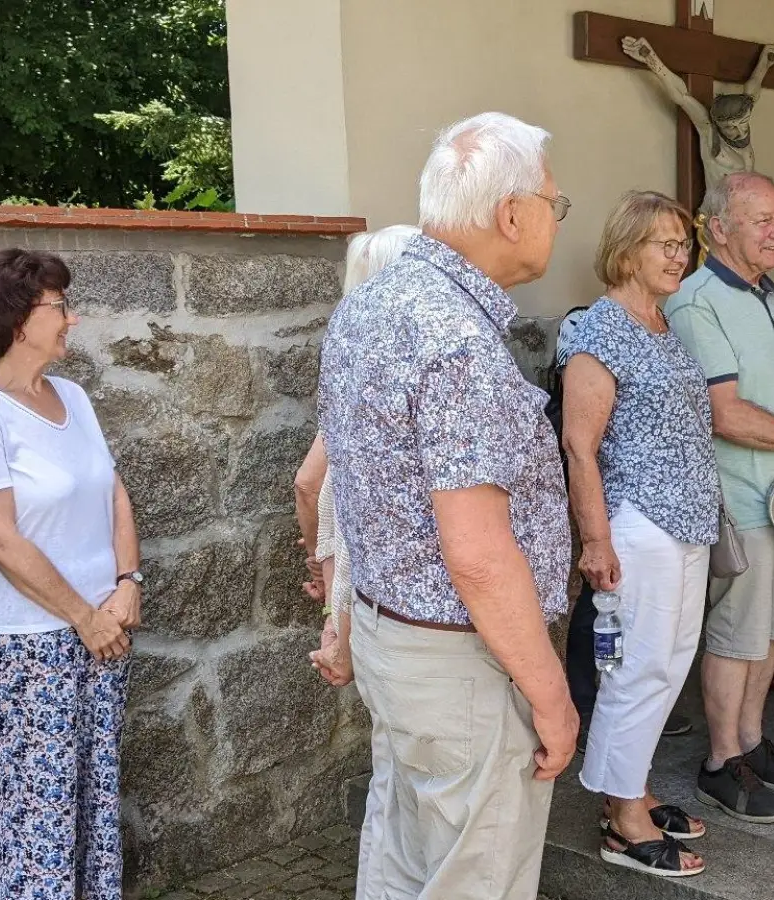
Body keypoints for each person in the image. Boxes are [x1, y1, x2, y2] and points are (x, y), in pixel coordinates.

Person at [317, 111, 578, 900]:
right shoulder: (456, 338)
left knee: (403, 864)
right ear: (510, 213)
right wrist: (553, 696)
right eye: (553, 204)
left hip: (393, 640)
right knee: (474, 877)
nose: (555, 220)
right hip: (461, 662)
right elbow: (477, 551)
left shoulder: (368, 306)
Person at [0, 249, 143, 899]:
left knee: (93, 798)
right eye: (59, 306)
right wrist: (84, 616)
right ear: (16, 321)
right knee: (37, 808)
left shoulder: (73, 396)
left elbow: (113, 491)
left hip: (105, 631)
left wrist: (128, 583)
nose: (72, 318)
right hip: (27, 644)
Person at [665, 171, 774, 825]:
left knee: (769, 630)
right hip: (738, 495)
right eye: (762, 219)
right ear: (717, 229)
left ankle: (750, 741)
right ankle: (720, 762)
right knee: (737, 632)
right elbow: (724, 412)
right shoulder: (697, 300)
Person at [562, 190, 720, 877]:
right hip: (639, 524)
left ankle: (632, 790)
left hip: (686, 523)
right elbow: (579, 445)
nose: (680, 254)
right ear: (626, 249)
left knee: (668, 666)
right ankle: (624, 824)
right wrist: (596, 542)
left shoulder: (662, 323)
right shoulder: (599, 330)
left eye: (685, 244)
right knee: (636, 668)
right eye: (667, 243)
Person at [291, 223, 421, 688]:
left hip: (356, 605)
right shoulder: (400, 379)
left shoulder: (349, 374)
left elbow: (308, 483)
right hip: (401, 611)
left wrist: (316, 564)